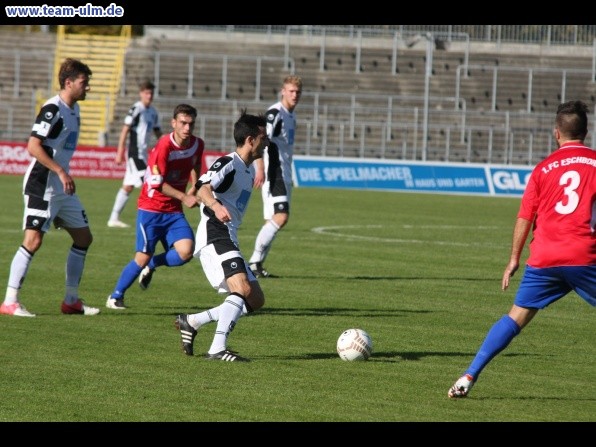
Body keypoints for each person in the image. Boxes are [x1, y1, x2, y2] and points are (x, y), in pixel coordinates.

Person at [448, 100, 596, 398]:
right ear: (586, 131)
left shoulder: (543, 169)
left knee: (514, 317)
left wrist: (514, 258)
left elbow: (525, 216)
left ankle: (468, 376)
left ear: (557, 134)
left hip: (544, 258)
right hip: (584, 255)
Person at [0, 58, 100, 317]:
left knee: (83, 237)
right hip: (42, 184)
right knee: (33, 240)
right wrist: (60, 170)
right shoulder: (52, 109)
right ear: (69, 83)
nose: (87, 88)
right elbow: (33, 146)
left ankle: (71, 300)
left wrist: (63, 174)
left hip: (62, 188)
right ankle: (10, 301)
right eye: (83, 83)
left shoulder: (74, 109)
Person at [174, 110, 269, 362]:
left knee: (256, 299)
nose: (267, 142)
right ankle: (217, 348)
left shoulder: (248, 170)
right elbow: (203, 187)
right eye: (263, 137)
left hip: (229, 236)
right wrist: (215, 206)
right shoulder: (229, 163)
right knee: (241, 288)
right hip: (215, 233)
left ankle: (193, 321)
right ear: (250, 139)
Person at [106, 104, 204, 310]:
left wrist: (195, 190)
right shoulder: (163, 146)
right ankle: (115, 296)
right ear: (174, 123)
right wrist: (185, 197)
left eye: (191, 124)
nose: (187, 128)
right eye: (183, 123)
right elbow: (157, 184)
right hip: (151, 209)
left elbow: (197, 168)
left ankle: (153, 264)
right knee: (141, 257)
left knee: (186, 252)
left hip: (174, 211)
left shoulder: (197, 144)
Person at [248, 75, 302, 278]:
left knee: (272, 221)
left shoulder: (291, 116)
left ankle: (257, 265)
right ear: (283, 91)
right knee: (281, 217)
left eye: (297, 92)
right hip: (274, 172)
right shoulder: (275, 113)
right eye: (291, 91)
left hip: (285, 173)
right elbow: (260, 140)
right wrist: (259, 167)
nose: (294, 95)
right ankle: (254, 262)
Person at [107, 80, 162, 228]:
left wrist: (165, 147)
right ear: (141, 94)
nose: (149, 96)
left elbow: (158, 133)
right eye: (146, 93)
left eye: (151, 93)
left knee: (128, 186)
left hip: (143, 154)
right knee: (150, 183)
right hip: (134, 154)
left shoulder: (153, 112)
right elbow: (125, 130)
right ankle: (150, 218)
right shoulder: (136, 109)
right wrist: (120, 152)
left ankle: (113, 218)